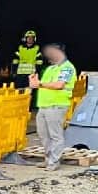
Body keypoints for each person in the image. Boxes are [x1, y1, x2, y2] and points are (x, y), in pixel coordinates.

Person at [30, 41, 78, 171]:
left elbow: (59, 85)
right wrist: (34, 82)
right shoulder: (50, 68)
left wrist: (39, 84)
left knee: (55, 135)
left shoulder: (67, 68)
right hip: (44, 106)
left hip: (57, 106)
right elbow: (42, 84)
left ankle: (54, 161)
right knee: (43, 134)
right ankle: (48, 159)